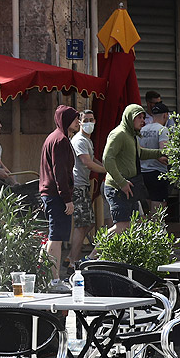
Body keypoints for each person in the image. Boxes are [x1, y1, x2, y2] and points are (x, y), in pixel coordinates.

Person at [102, 104, 166, 235]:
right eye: (139, 117)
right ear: (130, 118)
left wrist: (162, 153)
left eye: (143, 117)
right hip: (117, 188)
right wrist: (121, 182)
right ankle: (93, 255)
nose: (143, 121)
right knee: (122, 225)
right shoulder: (119, 134)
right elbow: (107, 159)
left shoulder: (132, 135)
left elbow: (139, 153)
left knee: (135, 224)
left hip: (130, 186)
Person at [39, 105, 79, 278]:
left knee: (51, 237)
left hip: (50, 194)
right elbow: (60, 172)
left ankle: (44, 275)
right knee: (56, 238)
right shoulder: (61, 140)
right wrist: (67, 198)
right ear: (66, 120)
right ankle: (54, 279)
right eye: (75, 118)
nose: (78, 122)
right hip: (56, 195)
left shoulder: (54, 137)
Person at [68, 109, 105, 267]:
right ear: (80, 123)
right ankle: (73, 261)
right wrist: (108, 171)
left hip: (82, 185)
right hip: (77, 185)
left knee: (88, 223)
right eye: (86, 120)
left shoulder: (87, 141)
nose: (89, 123)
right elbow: (87, 162)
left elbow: (93, 158)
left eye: (91, 119)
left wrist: (104, 165)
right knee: (82, 224)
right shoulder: (80, 140)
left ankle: (70, 257)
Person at [139, 102, 172, 215]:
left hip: (143, 173)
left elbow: (138, 150)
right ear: (165, 115)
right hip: (158, 174)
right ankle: (157, 232)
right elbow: (165, 152)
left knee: (147, 212)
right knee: (157, 213)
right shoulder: (163, 130)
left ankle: (148, 232)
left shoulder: (142, 130)